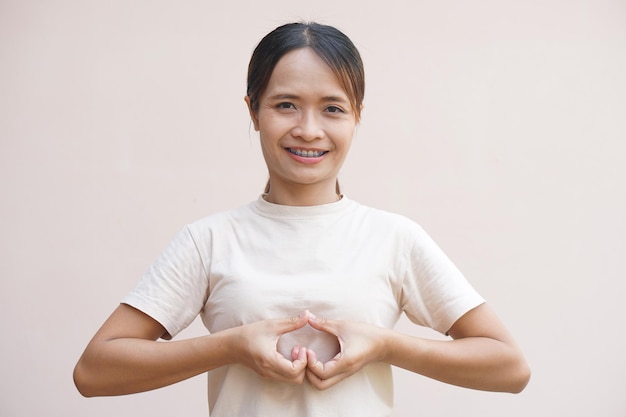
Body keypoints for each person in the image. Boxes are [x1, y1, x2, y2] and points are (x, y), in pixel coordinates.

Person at [73, 21, 530, 416]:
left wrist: (386, 345)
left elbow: (509, 366)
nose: (309, 129)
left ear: (357, 117)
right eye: (285, 104)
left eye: (333, 108)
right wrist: (229, 347)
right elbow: (94, 371)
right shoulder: (209, 240)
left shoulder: (394, 238)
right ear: (253, 111)